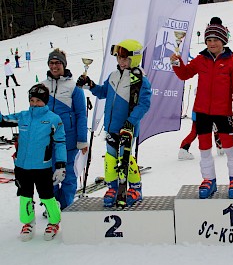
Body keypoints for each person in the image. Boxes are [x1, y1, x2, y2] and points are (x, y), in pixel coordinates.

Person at [170, 17, 233, 199]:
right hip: (202, 111)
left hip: (223, 112)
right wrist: (177, 63)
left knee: (227, 145)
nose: (212, 44)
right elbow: (185, 74)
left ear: (223, 41)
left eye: (216, 40)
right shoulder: (201, 59)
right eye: (209, 40)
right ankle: (209, 179)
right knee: (204, 147)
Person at [76, 39, 152, 207]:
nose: (121, 61)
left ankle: (136, 188)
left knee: (126, 158)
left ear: (134, 58)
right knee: (110, 157)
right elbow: (103, 92)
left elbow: (144, 104)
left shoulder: (139, 80)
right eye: (118, 57)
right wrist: (90, 85)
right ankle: (112, 187)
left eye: (124, 58)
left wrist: (130, 122)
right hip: (111, 126)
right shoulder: (113, 75)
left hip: (127, 128)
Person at [0, 84, 67, 241]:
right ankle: (28, 222)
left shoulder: (53, 119)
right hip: (22, 166)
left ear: (45, 101)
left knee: (46, 196)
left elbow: (60, 142)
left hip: (42, 167)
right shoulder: (23, 116)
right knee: (25, 196)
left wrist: (61, 165)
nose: (35, 103)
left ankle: (54, 222)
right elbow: (2, 120)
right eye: (32, 100)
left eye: (38, 101)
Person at [41, 48, 88, 211]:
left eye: (57, 63)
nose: (54, 66)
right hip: (47, 141)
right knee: (49, 175)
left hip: (69, 141)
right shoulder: (42, 87)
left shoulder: (74, 87)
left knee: (68, 176)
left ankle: (67, 206)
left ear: (64, 64)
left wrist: (82, 140)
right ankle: (52, 207)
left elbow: (81, 114)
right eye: (51, 63)